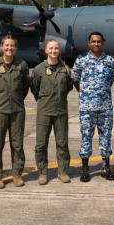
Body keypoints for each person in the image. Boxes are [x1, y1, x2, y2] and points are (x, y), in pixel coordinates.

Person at [0, 34, 30, 189]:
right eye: (7, 45)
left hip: (17, 110)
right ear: (1, 47)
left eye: (12, 46)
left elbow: (25, 87)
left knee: (17, 144)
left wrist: (16, 100)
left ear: (15, 48)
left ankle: (17, 174)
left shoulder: (22, 65)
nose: (9, 48)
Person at [72, 32, 114, 181]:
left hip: (105, 107)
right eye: (93, 41)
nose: (96, 44)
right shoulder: (81, 60)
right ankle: (85, 169)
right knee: (86, 137)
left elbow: (110, 81)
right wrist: (86, 94)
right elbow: (75, 79)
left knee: (105, 137)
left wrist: (100, 93)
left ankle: (106, 167)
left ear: (102, 43)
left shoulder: (109, 61)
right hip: (86, 108)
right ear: (88, 43)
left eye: (99, 41)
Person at [31, 39, 74, 185]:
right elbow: (34, 88)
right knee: (41, 144)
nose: (54, 51)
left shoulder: (65, 69)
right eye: (51, 48)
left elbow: (68, 87)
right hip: (44, 111)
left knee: (62, 143)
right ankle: (43, 172)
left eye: (56, 48)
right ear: (46, 50)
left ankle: (62, 171)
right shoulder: (38, 70)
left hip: (61, 110)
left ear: (59, 50)